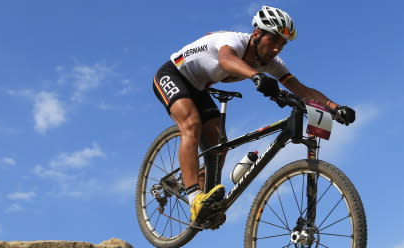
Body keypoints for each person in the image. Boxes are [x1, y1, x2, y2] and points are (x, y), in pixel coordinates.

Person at [152, 5, 355, 227]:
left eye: (282, 44)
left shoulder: (271, 62)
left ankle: (205, 202)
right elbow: (226, 60)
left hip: (199, 88)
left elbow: (300, 88)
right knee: (191, 124)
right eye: (274, 41)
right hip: (173, 74)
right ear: (257, 35)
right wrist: (255, 76)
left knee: (220, 144)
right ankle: (193, 198)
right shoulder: (233, 41)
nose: (277, 49)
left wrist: (334, 108)